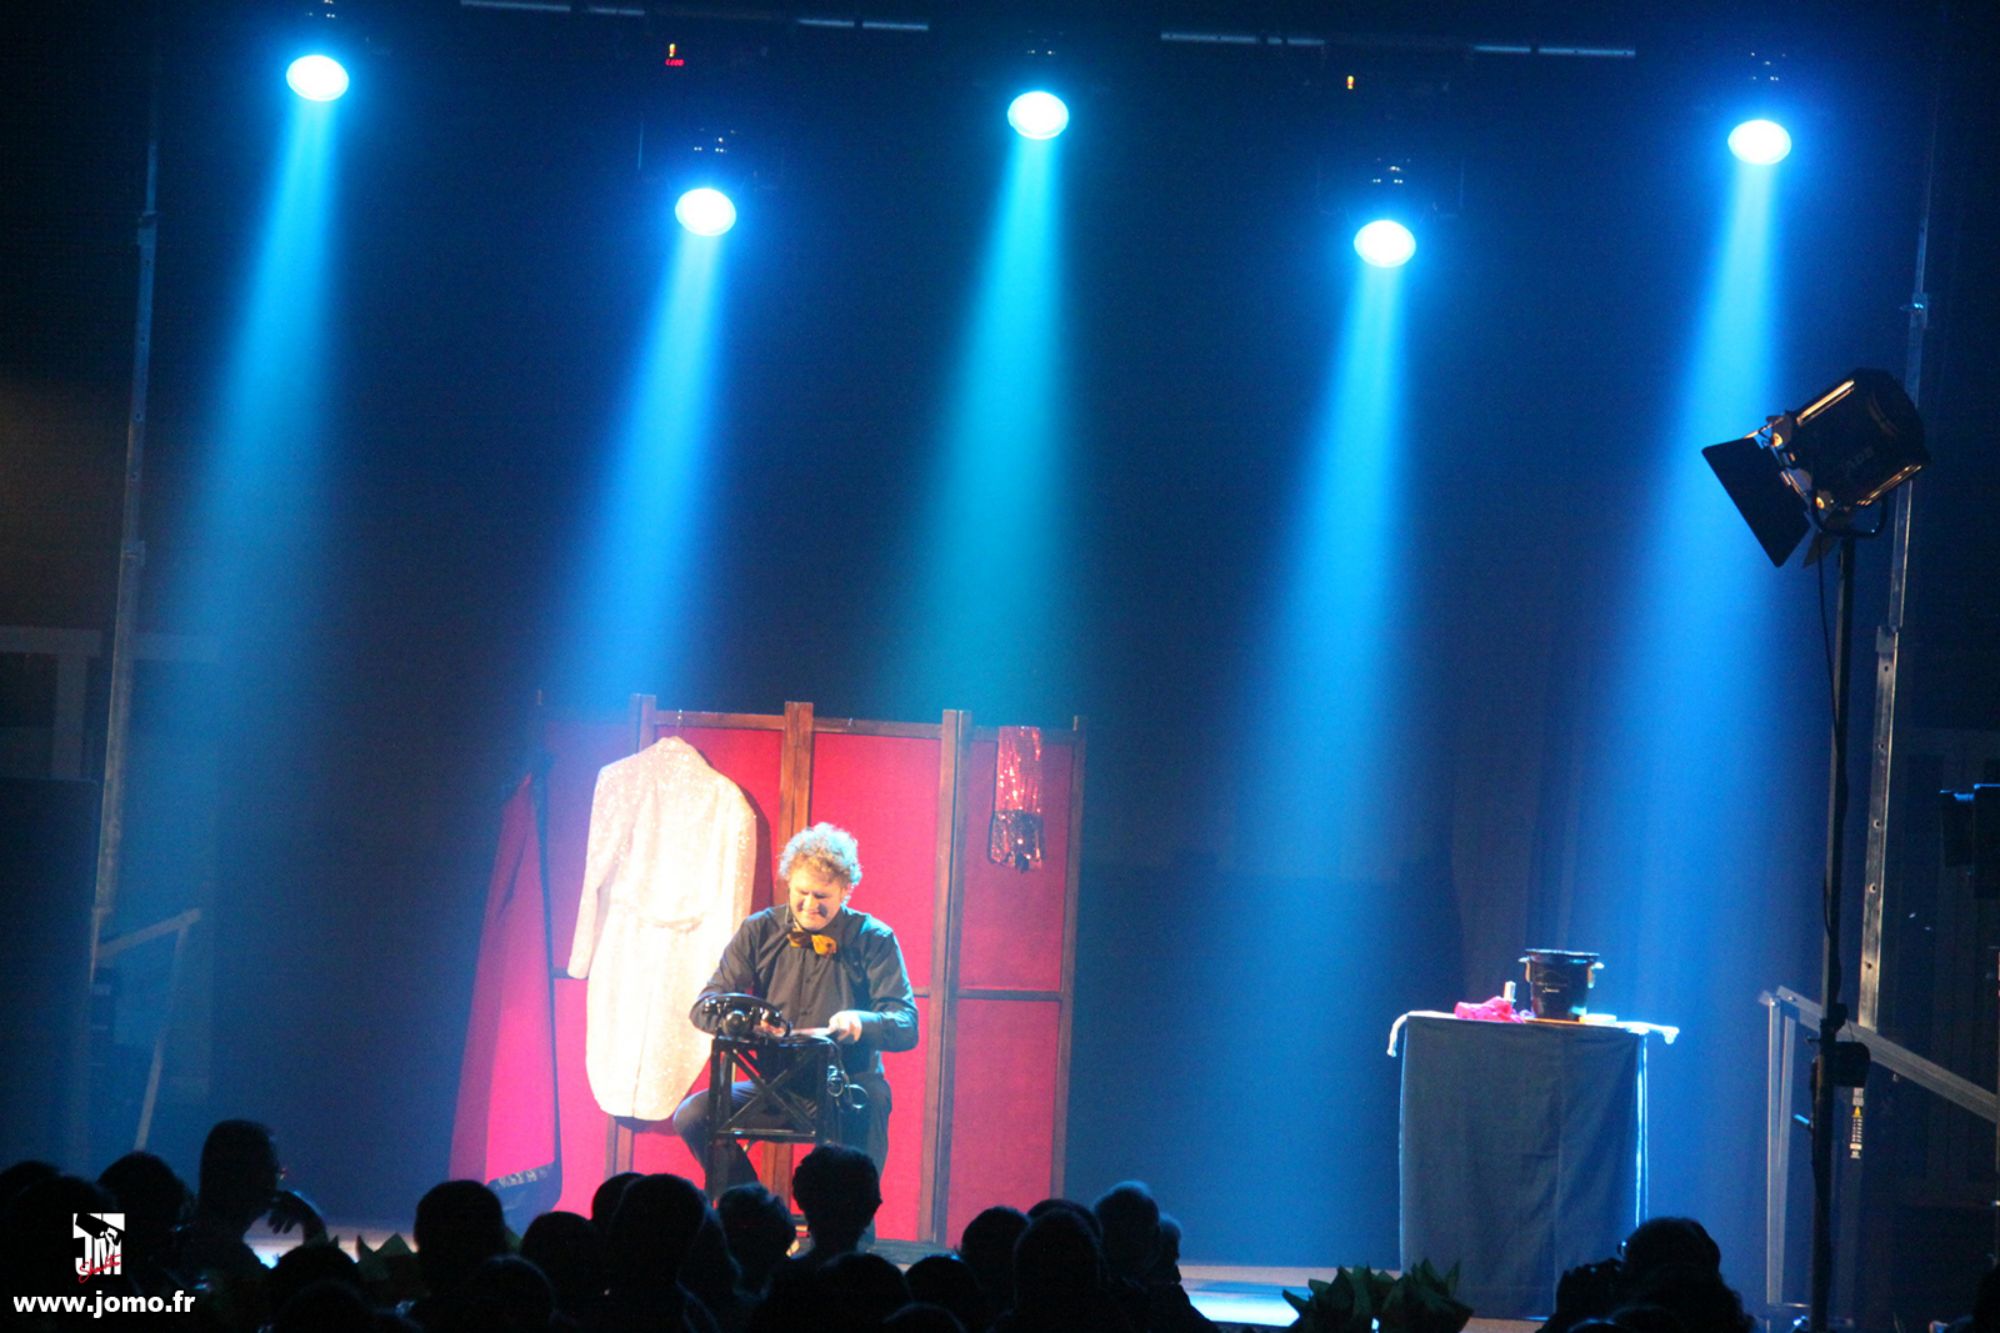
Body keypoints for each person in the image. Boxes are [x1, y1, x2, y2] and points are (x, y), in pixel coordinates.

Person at [674, 824, 918, 1191]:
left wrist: (860, 1022)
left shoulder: (873, 938)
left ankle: (852, 1220)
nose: (809, 905)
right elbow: (705, 1006)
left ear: (846, 890)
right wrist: (747, 1023)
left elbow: (906, 1025)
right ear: (789, 883)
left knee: (872, 1101)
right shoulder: (759, 930)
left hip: (843, 1087)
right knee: (693, 1115)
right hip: (774, 1088)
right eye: (801, 893)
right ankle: (753, 1208)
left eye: (822, 896)